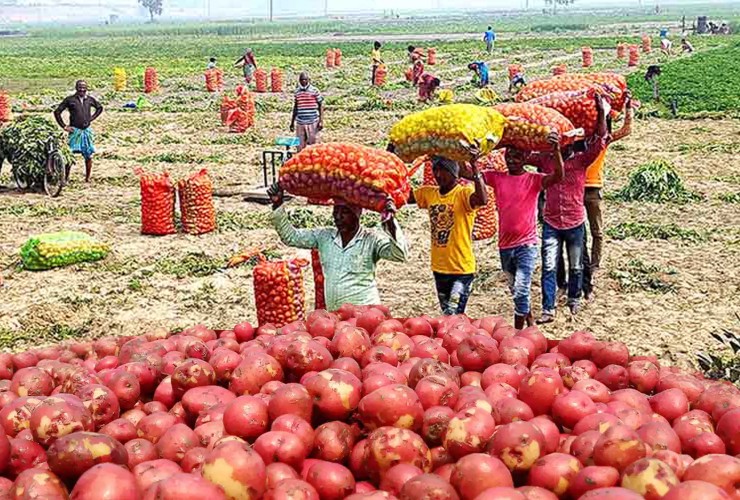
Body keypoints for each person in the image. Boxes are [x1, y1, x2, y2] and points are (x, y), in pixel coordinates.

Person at [528, 94, 610, 323]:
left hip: (574, 221)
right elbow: (523, 153)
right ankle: (548, 308)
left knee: (575, 266)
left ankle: (574, 298)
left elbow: (600, 140)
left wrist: (602, 111)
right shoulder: (545, 160)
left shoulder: (581, 161)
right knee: (549, 266)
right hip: (552, 222)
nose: (562, 149)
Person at [267, 184, 408, 311]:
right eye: (336, 211)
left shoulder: (371, 239)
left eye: (344, 212)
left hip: (365, 315)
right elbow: (291, 237)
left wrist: (390, 223)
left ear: (356, 215)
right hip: (335, 316)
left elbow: (399, 255)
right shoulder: (324, 236)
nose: (338, 217)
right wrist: (277, 204)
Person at [474, 132, 564, 329]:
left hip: (526, 244)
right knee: (516, 290)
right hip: (505, 245)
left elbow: (558, 175)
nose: (512, 160)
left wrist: (556, 150)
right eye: (509, 155)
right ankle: (530, 326)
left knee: (521, 289)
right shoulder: (497, 178)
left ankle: (518, 333)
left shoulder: (533, 180)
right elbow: (469, 174)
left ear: (525, 158)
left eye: (517, 156)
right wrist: (473, 159)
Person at [412, 154, 488, 316]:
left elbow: (482, 200)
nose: (438, 175)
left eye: (444, 170)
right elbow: (402, 195)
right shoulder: (429, 194)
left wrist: (475, 169)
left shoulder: (463, 194)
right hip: (439, 268)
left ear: (454, 173)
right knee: (449, 314)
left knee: (452, 313)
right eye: (436, 170)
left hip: (461, 270)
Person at [584, 91, 633, 275]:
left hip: (593, 189)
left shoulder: (604, 140)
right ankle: (583, 262)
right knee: (579, 231)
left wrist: (628, 107)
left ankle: (595, 264)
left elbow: (626, 129)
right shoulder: (577, 140)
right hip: (574, 189)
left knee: (596, 231)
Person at [53, 80, 103, 183]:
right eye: (80, 87)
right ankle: (66, 178)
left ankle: (87, 178)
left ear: (87, 88)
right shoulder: (70, 100)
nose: (82, 90)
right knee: (69, 156)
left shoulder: (89, 100)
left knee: (88, 155)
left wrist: (91, 118)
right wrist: (64, 126)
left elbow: (99, 108)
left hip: (86, 131)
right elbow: (57, 112)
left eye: (84, 87)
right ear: (76, 88)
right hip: (75, 131)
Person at [290, 72, 324, 151]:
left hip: (313, 121)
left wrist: (321, 121)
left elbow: (321, 105)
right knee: (300, 145)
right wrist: (292, 122)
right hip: (300, 122)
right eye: (301, 80)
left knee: (314, 145)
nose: (303, 81)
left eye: (305, 79)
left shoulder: (314, 90)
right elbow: (295, 107)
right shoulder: (297, 92)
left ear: (309, 80)